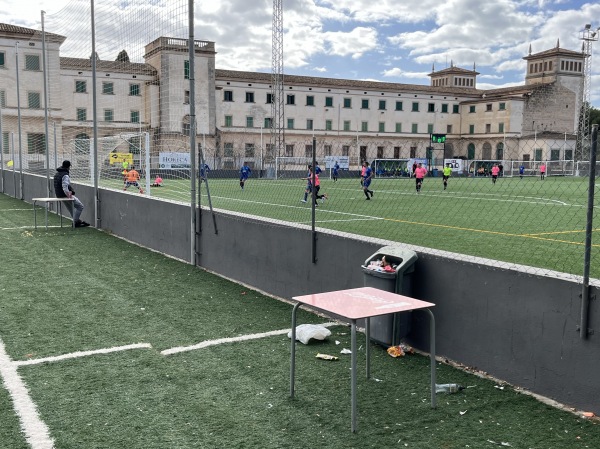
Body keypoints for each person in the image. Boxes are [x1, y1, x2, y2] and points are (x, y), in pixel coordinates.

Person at [53, 160, 89, 227]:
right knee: (80, 206)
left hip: (59, 195)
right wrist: (69, 195)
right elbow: (65, 187)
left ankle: (78, 221)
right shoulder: (65, 175)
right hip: (64, 195)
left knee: (71, 209)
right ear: (69, 167)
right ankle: (75, 223)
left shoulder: (57, 174)